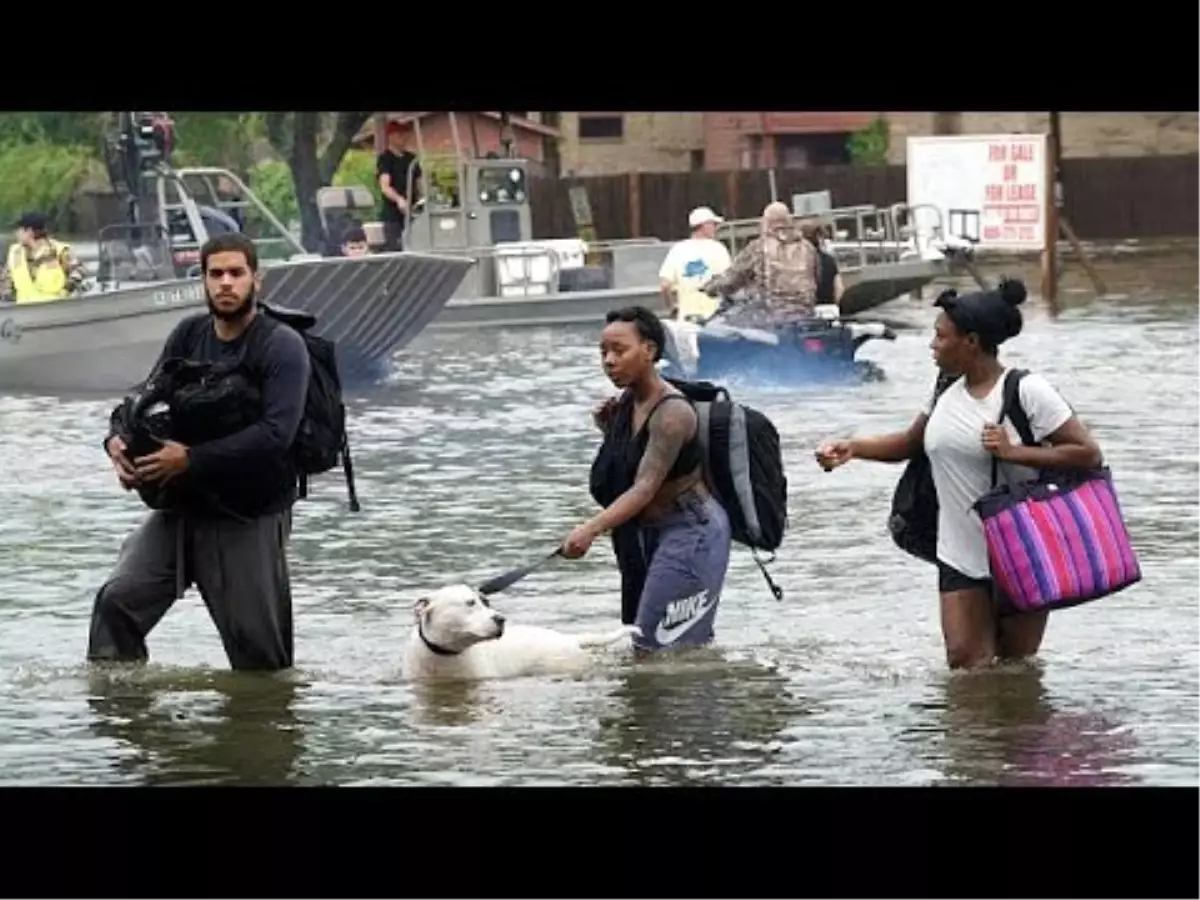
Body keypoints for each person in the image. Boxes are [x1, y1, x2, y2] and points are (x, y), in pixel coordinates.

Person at [814, 278, 1103, 670]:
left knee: (1016, 669)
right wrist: (853, 448)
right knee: (966, 667)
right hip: (959, 554)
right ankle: (972, 736)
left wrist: (1013, 451)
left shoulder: (1027, 390)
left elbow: (1087, 454)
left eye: (940, 336)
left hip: (1024, 550)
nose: (932, 344)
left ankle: (1013, 733)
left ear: (971, 342)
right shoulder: (945, 389)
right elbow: (909, 443)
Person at [88, 231, 311, 672]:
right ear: (203, 281)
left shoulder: (281, 345)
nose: (226, 283)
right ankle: (122, 722)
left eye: (236, 273)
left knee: (259, 656)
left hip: (247, 513)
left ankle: (262, 732)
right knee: (118, 603)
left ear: (255, 280)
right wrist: (116, 439)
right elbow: (144, 399)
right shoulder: (189, 334)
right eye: (216, 274)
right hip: (180, 506)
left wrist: (191, 458)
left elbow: (276, 434)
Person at [565, 305, 733, 654]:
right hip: (644, 534)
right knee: (640, 643)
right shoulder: (626, 404)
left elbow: (644, 487)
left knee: (662, 648)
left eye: (619, 350)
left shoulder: (672, 413)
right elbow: (628, 470)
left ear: (650, 351)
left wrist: (591, 529)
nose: (609, 361)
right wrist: (610, 432)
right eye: (603, 352)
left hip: (691, 531)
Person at [702, 201, 819, 328]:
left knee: (724, 328)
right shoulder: (808, 247)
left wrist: (710, 288)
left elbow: (731, 279)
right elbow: (816, 276)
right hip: (805, 316)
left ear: (766, 222)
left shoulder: (759, 247)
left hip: (770, 318)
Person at [657, 206, 733, 321]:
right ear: (704, 226)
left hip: (686, 319)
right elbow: (729, 280)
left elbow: (664, 285)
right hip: (715, 319)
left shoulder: (678, 249)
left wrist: (672, 307)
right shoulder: (718, 249)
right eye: (713, 224)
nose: (715, 228)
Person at [1, 211, 88, 303]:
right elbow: (6, 280)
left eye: (19, 230)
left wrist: (65, 291)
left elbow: (80, 271)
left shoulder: (59, 250)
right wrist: (6, 298)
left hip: (54, 309)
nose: (16, 233)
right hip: (24, 311)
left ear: (29, 231)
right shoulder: (15, 252)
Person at [376, 121, 423, 252]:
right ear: (391, 136)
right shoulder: (385, 159)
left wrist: (425, 198)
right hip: (393, 214)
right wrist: (399, 200)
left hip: (413, 212)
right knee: (396, 247)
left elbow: (420, 183)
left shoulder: (412, 159)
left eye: (405, 134)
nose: (404, 137)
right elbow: (385, 186)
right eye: (400, 134)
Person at [800, 220, 844, 307]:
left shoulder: (796, 262)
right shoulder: (829, 260)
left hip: (806, 312)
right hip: (829, 311)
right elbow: (839, 290)